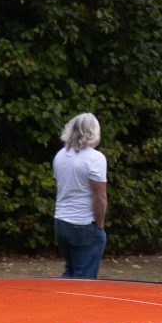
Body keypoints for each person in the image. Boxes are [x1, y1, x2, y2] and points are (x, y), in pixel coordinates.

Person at [50, 112, 108, 279]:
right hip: (84, 223)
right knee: (84, 280)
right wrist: (99, 225)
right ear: (93, 132)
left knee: (70, 272)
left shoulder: (61, 155)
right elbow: (100, 197)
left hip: (61, 221)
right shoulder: (95, 158)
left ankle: (55, 302)